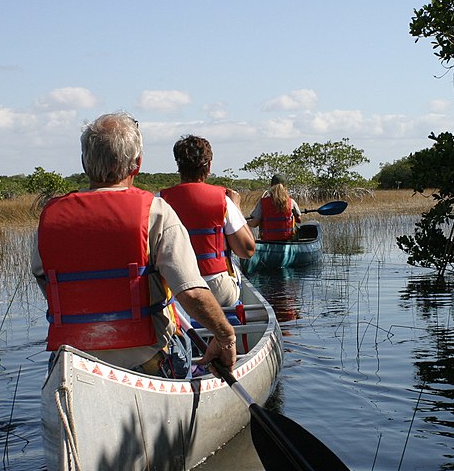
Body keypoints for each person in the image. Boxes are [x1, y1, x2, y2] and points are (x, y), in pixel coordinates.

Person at [30, 112, 236, 376]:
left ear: (84, 163)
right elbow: (192, 293)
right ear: (137, 164)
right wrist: (225, 337)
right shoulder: (156, 212)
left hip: (73, 361)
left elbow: (48, 285)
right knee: (181, 345)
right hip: (147, 359)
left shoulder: (50, 219)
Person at [159, 135, 256, 307]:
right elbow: (247, 250)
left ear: (179, 166)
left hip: (175, 289)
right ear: (208, 166)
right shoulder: (222, 199)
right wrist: (236, 206)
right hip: (216, 288)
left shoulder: (160, 201)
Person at [247, 174, 302, 241]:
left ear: (271, 187)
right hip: (287, 239)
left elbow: (254, 223)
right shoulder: (291, 202)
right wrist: (293, 215)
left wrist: (244, 222)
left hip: (268, 240)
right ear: (285, 188)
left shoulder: (262, 202)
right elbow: (299, 220)